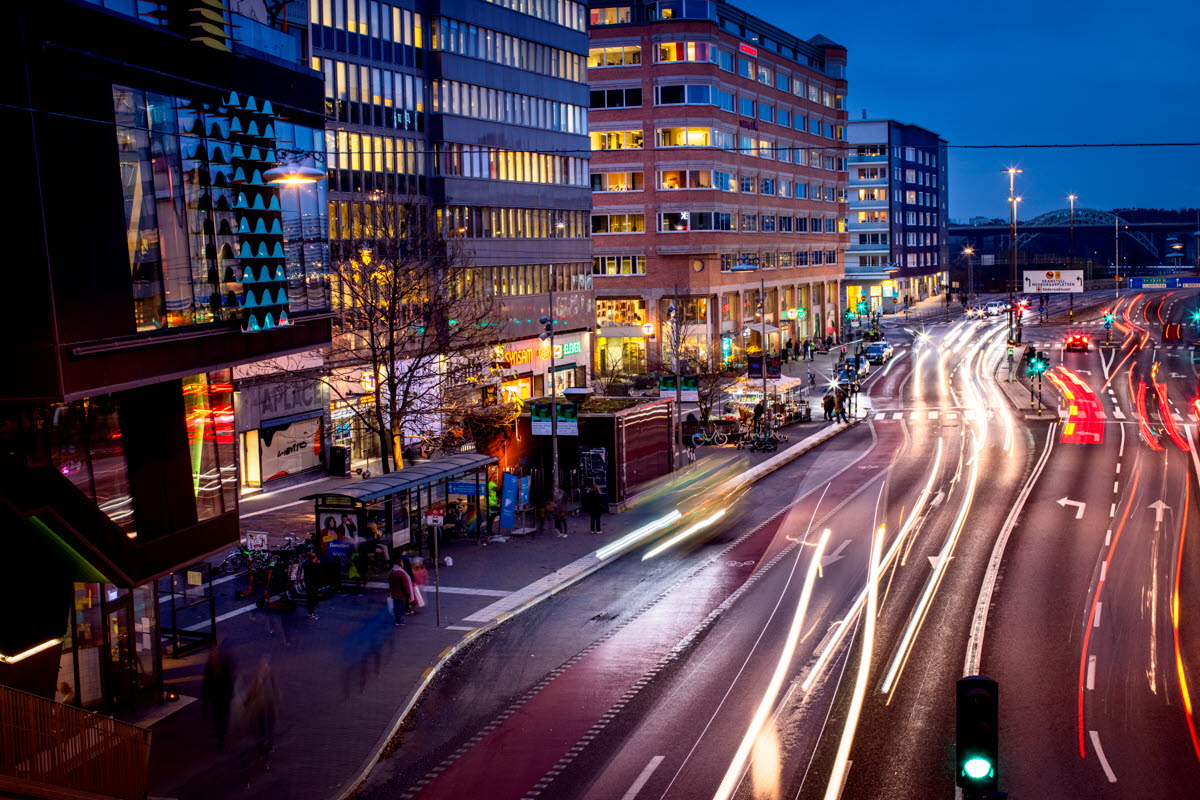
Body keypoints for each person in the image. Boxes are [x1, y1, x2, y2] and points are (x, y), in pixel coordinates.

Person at [202, 642, 236, 750]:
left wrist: (230, 694)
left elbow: (229, 680)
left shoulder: (224, 664)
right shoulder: (209, 666)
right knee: (217, 717)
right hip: (215, 697)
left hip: (224, 696)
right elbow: (206, 683)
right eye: (212, 652)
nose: (213, 654)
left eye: (214, 652)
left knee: (224, 716)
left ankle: (222, 734)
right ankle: (220, 737)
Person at [388, 557, 414, 625]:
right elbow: (405, 584)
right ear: (400, 564)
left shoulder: (392, 571)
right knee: (401, 608)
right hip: (401, 594)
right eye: (402, 563)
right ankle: (400, 621)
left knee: (396, 608)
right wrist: (408, 593)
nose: (403, 564)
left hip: (394, 593)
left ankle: (397, 620)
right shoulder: (401, 573)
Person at [301, 551, 323, 619]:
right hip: (313, 583)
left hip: (308, 582)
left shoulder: (306, 564)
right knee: (312, 598)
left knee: (310, 597)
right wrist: (318, 564)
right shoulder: (314, 565)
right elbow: (319, 572)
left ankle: (310, 612)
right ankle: (311, 613)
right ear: (314, 558)